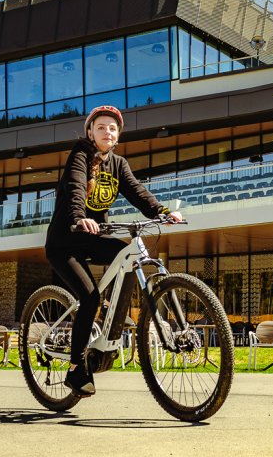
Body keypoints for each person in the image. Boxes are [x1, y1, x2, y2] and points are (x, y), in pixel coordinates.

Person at [44, 105, 183, 397]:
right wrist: (78, 217)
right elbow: (75, 186)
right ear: (90, 132)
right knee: (89, 296)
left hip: (93, 237)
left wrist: (162, 212)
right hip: (65, 240)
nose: (107, 131)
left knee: (128, 257)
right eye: (101, 127)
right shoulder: (80, 154)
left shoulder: (118, 164)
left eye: (112, 128)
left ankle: (109, 318)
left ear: (118, 135)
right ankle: (75, 367)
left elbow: (136, 191)